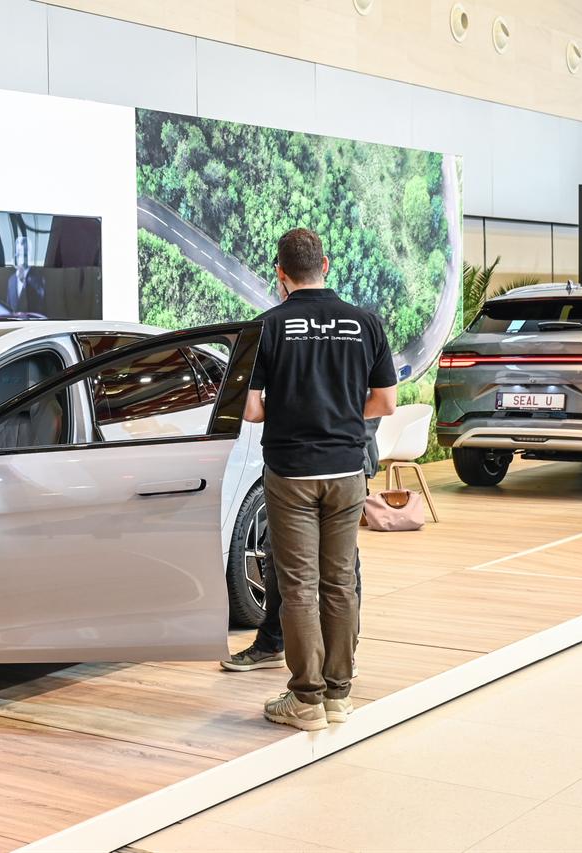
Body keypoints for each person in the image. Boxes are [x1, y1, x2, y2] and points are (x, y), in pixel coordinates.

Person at [241, 228, 396, 732]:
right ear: (325, 264)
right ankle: (339, 695)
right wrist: (342, 418)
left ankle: (305, 698)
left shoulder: (267, 326)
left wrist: (287, 409)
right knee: (340, 583)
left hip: (290, 472)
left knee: (298, 585)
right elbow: (385, 403)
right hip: (347, 470)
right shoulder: (365, 323)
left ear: (280, 274)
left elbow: (251, 410)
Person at [221, 418, 379, 673]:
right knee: (276, 553)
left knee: (341, 568)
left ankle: (341, 657)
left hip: (344, 459)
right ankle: (272, 642)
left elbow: (379, 404)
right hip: (293, 462)